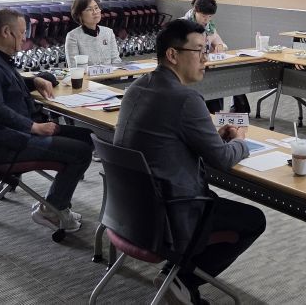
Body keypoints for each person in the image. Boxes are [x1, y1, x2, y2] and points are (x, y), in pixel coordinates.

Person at [114, 19, 266, 304]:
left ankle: (178, 278)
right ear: (173, 55)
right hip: (168, 216)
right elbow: (222, 159)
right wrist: (241, 141)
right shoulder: (185, 98)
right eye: (199, 51)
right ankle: (182, 280)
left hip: (129, 211)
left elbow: (170, 140)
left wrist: (214, 137)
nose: (205, 59)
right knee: (253, 219)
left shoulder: (137, 87)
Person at [0, 8, 92, 232]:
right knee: (81, 151)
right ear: (6, 32)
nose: (25, 38)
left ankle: (57, 200)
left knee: (88, 137)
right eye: (22, 33)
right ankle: (52, 209)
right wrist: (35, 127)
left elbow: (8, 84)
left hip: (20, 132)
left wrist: (35, 81)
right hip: (11, 143)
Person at [183, 0, 250, 114]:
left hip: (205, 67)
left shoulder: (209, 27)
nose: (206, 20)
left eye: (209, 16)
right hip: (188, 70)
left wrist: (219, 46)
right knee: (211, 84)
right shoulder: (182, 25)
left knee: (217, 81)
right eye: (203, 16)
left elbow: (219, 42)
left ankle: (215, 113)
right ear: (195, 11)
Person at [65, 0, 121, 66]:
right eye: (89, 9)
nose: (95, 12)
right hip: (85, 73)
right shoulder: (73, 36)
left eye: (96, 8)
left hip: (111, 73)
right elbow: (74, 66)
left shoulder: (108, 32)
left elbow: (116, 60)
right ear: (79, 15)